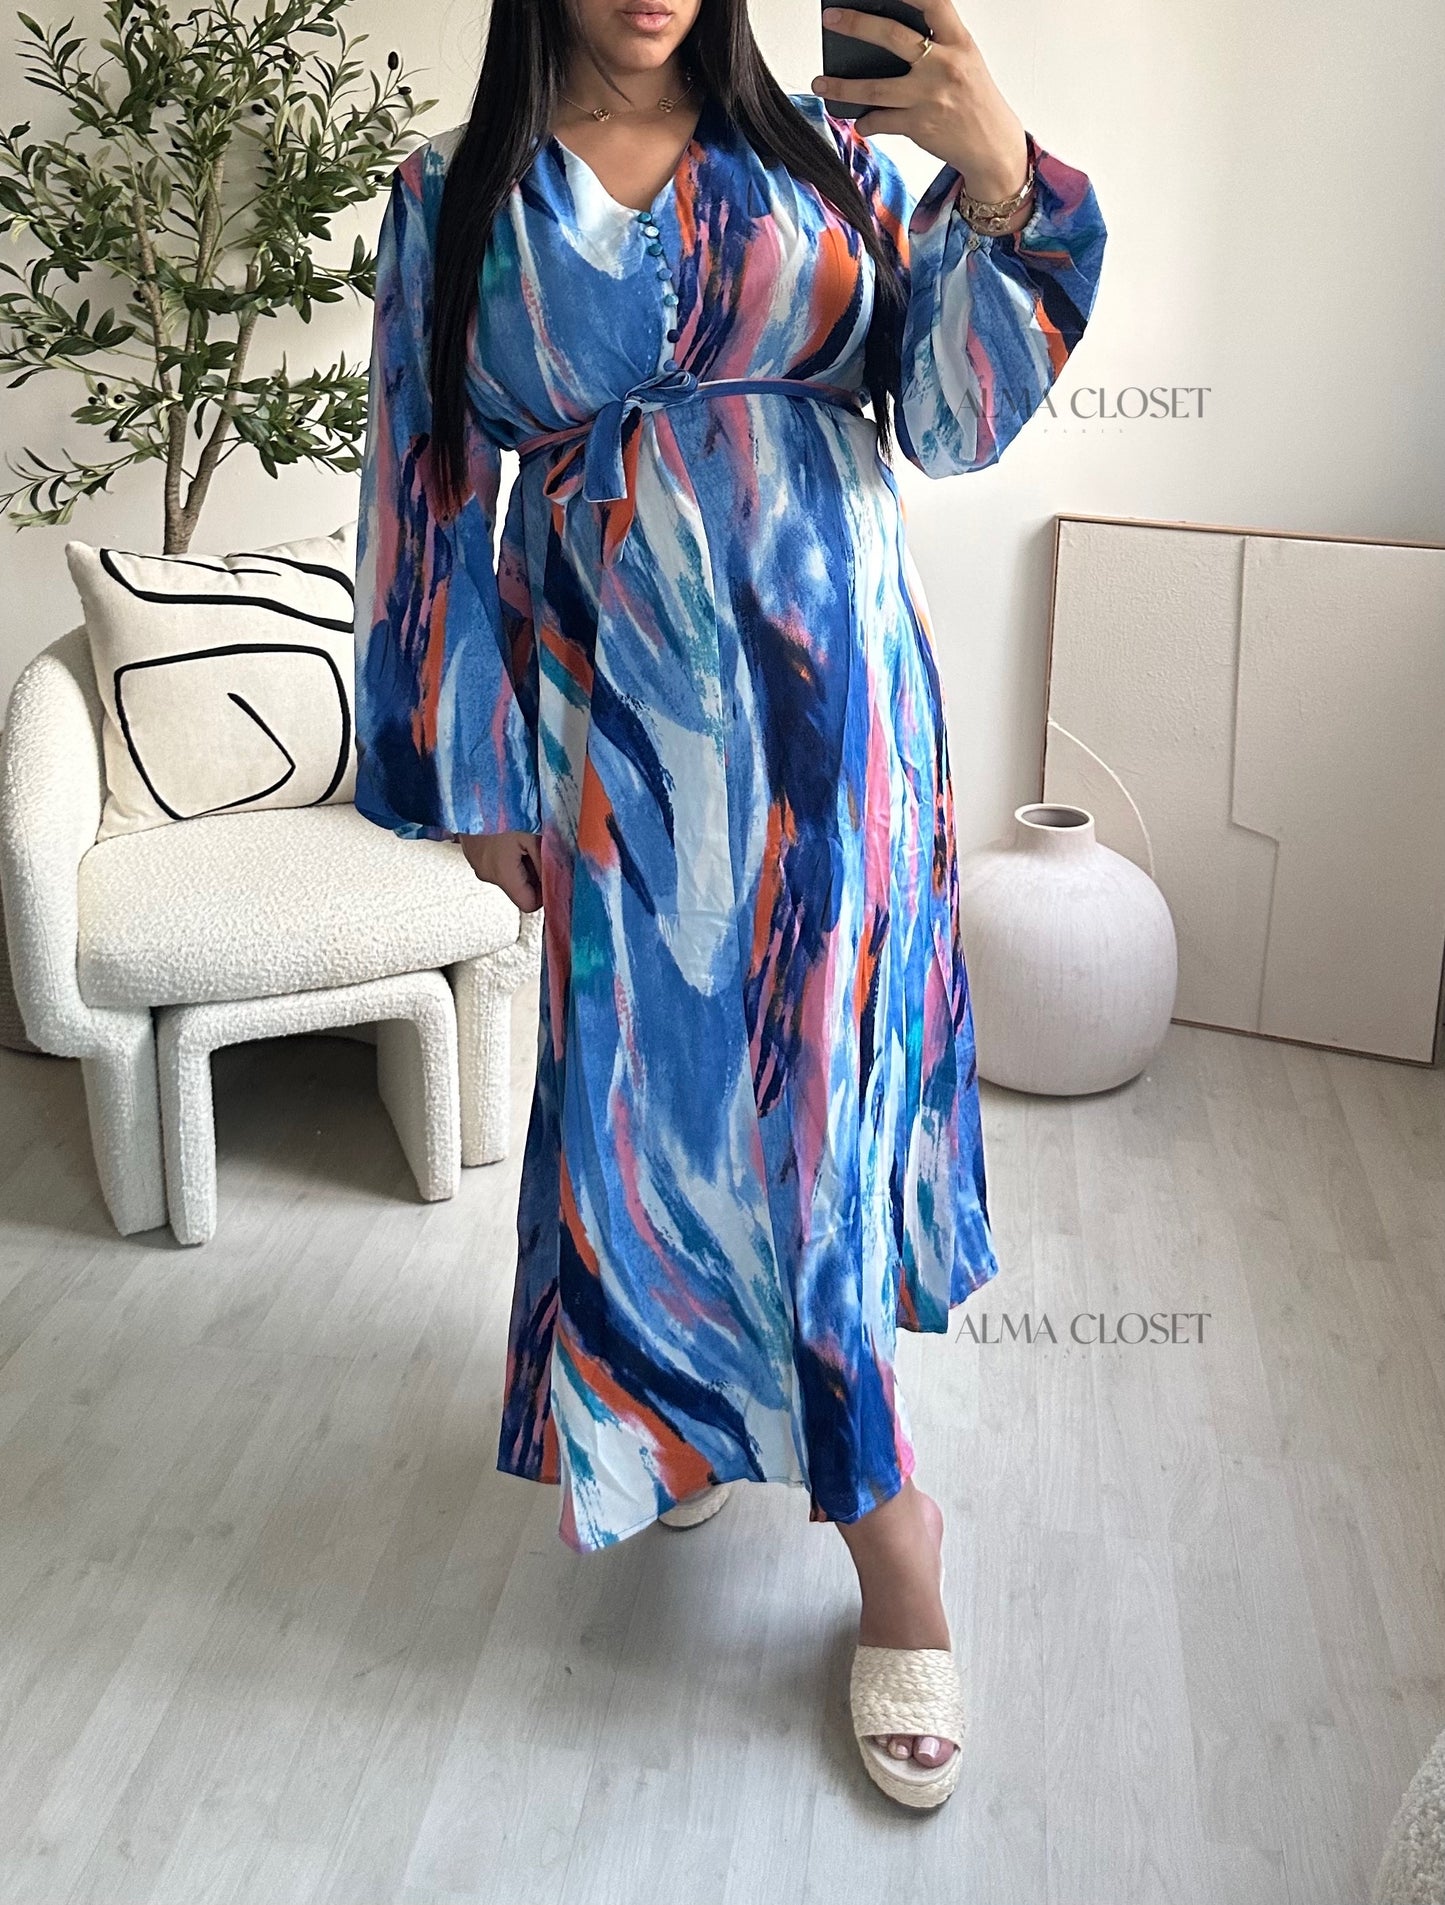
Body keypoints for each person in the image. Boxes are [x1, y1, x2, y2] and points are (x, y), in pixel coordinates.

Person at [353, 0, 1106, 1810]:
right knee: (654, 1115)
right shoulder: (454, 198)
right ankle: (677, 1413)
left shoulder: (826, 155)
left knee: (815, 1115)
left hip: (836, 730)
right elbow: (423, 487)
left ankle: (890, 1526)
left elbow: (953, 418)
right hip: (612, 747)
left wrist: (997, 178)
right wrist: (474, 778)